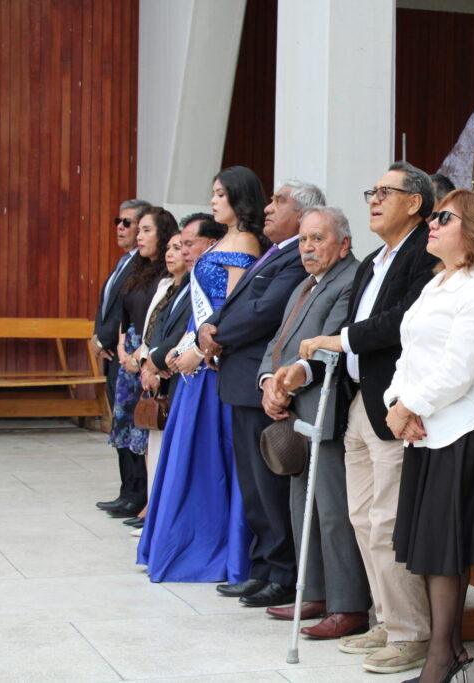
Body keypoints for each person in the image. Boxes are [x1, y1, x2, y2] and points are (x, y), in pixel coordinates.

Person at [295, 162, 437, 675]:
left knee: (387, 523)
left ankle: (410, 633)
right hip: (361, 400)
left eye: (385, 192)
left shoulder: (424, 253)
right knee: (361, 518)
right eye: (371, 192)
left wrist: (342, 341)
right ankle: (385, 619)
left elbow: (404, 321)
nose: (373, 200)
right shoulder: (375, 260)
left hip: (396, 405)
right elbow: (359, 320)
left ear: (415, 203)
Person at [378, 189, 474, 683]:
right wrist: (396, 403)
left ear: (472, 231)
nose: (431, 224)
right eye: (433, 216)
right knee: (434, 546)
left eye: (444, 217)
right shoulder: (437, 283)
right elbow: (409, 353)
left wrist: (410, 406)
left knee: (445, 548)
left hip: (462, 430)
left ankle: (440, 660)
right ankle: (450, 649)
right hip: (426, 427)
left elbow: (460, 367)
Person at [200, 178, 326, 607]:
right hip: (241, 381)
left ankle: (282, 573)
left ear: (302, 214)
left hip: (261, 381)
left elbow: (264, 311)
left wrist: (217, 335)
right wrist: (208, 325)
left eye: (279, 201)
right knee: (253, 486)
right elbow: (239, 302)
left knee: (269, 484)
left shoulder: (295, 258)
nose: (268, 208)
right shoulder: (275, 251)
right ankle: (262, 568)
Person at [138, 169, 266, 585]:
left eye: (220, 194)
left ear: (239, 198)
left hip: (213, 365)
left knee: (210, 454)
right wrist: (184, 346)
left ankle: (212, 547)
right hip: (197, 357)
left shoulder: (245, 242)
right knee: (186, 451)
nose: (213, 201)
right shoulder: (227, 239)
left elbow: (234, 305)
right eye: (212, 193)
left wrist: (201, 350)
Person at [259, 206, 371, 639]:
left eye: (317, 238)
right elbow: (278, 340)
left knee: (332, 510)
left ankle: (348, 605)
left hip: (326, 406)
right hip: (296, 409)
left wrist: (291, 381)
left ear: (343, 244)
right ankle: (317, 593)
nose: (307, 247)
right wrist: (269, 382)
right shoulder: (306, 284)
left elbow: (330, 347)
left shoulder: (350, 280)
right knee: (301, 506)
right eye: (304, 239)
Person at [135, 214, 222, 539]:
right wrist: (150, 361)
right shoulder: (182, 284)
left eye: (188, 244)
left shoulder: (205, 280)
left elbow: (195, 329)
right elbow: (163, 328)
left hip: (196, 376)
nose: (182, 252)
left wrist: (160, 361)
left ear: (210, 244)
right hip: (171, 370)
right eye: (178, 245)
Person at [104, 206, 173, 521]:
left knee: (145, 430)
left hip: (146, 357)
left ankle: (144, 499)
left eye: (147, 230)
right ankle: (129, 493)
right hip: (127, 356)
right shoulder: (137, 269)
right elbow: (125, 314)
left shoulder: (165, 275)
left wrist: (138, 357)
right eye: (139, 229)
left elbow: (155, 322)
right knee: (127, 427)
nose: (139, 236)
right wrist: (121, 347)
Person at [94, 198, 150, 515]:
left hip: (128, 354)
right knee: (120, 423)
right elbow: (106, 306)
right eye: (119, 221)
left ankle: (136, 494)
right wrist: (97, 336)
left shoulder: (141, 266)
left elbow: (126, 312)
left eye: (128, 223)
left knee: (131, 423)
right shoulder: (123, 262)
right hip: (114, 353)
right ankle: (126, 490)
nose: (121, 227)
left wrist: (108, 340)